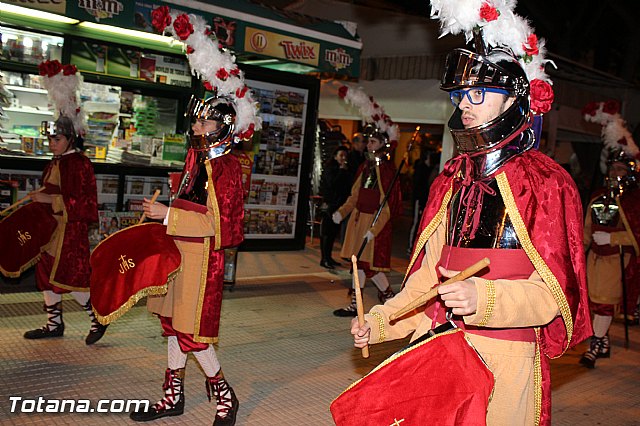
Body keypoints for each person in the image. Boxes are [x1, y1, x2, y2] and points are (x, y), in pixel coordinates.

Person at [349, 46, 591, 424]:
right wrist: (379, 322)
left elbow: (555, 297)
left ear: (514, 99)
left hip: (505, 366)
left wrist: (484, 296)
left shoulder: (547, 184)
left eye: (478, 94)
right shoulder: (450, 180)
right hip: (439, 353)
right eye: (460, 94)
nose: (464, 104)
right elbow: (425, 285)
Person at [130, 96, 244, 425]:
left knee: (191, 333)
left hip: (201, 259)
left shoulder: (227, 166)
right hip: (177, 251)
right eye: (195, 121)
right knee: (171, 325)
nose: (196, 127)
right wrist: (172, 206)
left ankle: (225, 394)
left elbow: (217, 225)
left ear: (224, 128)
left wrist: (167, 215)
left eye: (204, 123)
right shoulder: (196, 156)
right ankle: (174, 395)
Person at [23, 116, 105, 345]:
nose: (52, 144)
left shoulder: (78, 163)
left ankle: (98, 318)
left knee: (68, 278)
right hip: (51, 229)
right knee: (47, 274)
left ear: (71, 139)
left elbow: (82, 202)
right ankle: (54, 324)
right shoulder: (58, 161)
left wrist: (48, 199)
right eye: (50, 139)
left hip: (68, 230)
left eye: (56, 139)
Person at [332, 126, 402, 317]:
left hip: (372, 223)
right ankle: (363, 303)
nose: (368, 144)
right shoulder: (365, 167)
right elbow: (355, 195)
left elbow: (387, 207)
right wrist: (342, 212)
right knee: (360, 264)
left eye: (373, 141)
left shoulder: (386, 170)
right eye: (368, 141)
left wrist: (375, 229)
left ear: (382, 145)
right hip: (357, 222)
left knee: (368, 266)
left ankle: (388, 300)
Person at [580, 150, 640, 368]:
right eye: (613, 167)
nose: (615, 172)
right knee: (592, 304)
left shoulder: (634, 201)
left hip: (617, 262)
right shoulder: (598, 197)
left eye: (621, 169)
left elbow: (637, 234)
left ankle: (593, 347)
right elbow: (586, 229)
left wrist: (613, 238)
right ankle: (603, 341)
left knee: (604, 304)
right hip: (593, 259)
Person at [318, 145, 351, 269]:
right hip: (330, 204)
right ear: (335, 156)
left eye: (345, 156)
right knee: (326, 232)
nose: (343, 158)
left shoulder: (345, 169)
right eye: (341, 155)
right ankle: (324, 258)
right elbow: (333, 184)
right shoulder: (330, 168)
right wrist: (342, 171)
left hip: (340, 204)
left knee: (333, 233)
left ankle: (329, 257)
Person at [407, 148, 440, 255]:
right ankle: (410, 246)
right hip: (419, 199)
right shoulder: (421, 168)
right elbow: (419, 186)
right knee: (416, 222)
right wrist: (419, 200)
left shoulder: (428, 169)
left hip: (423, 199)